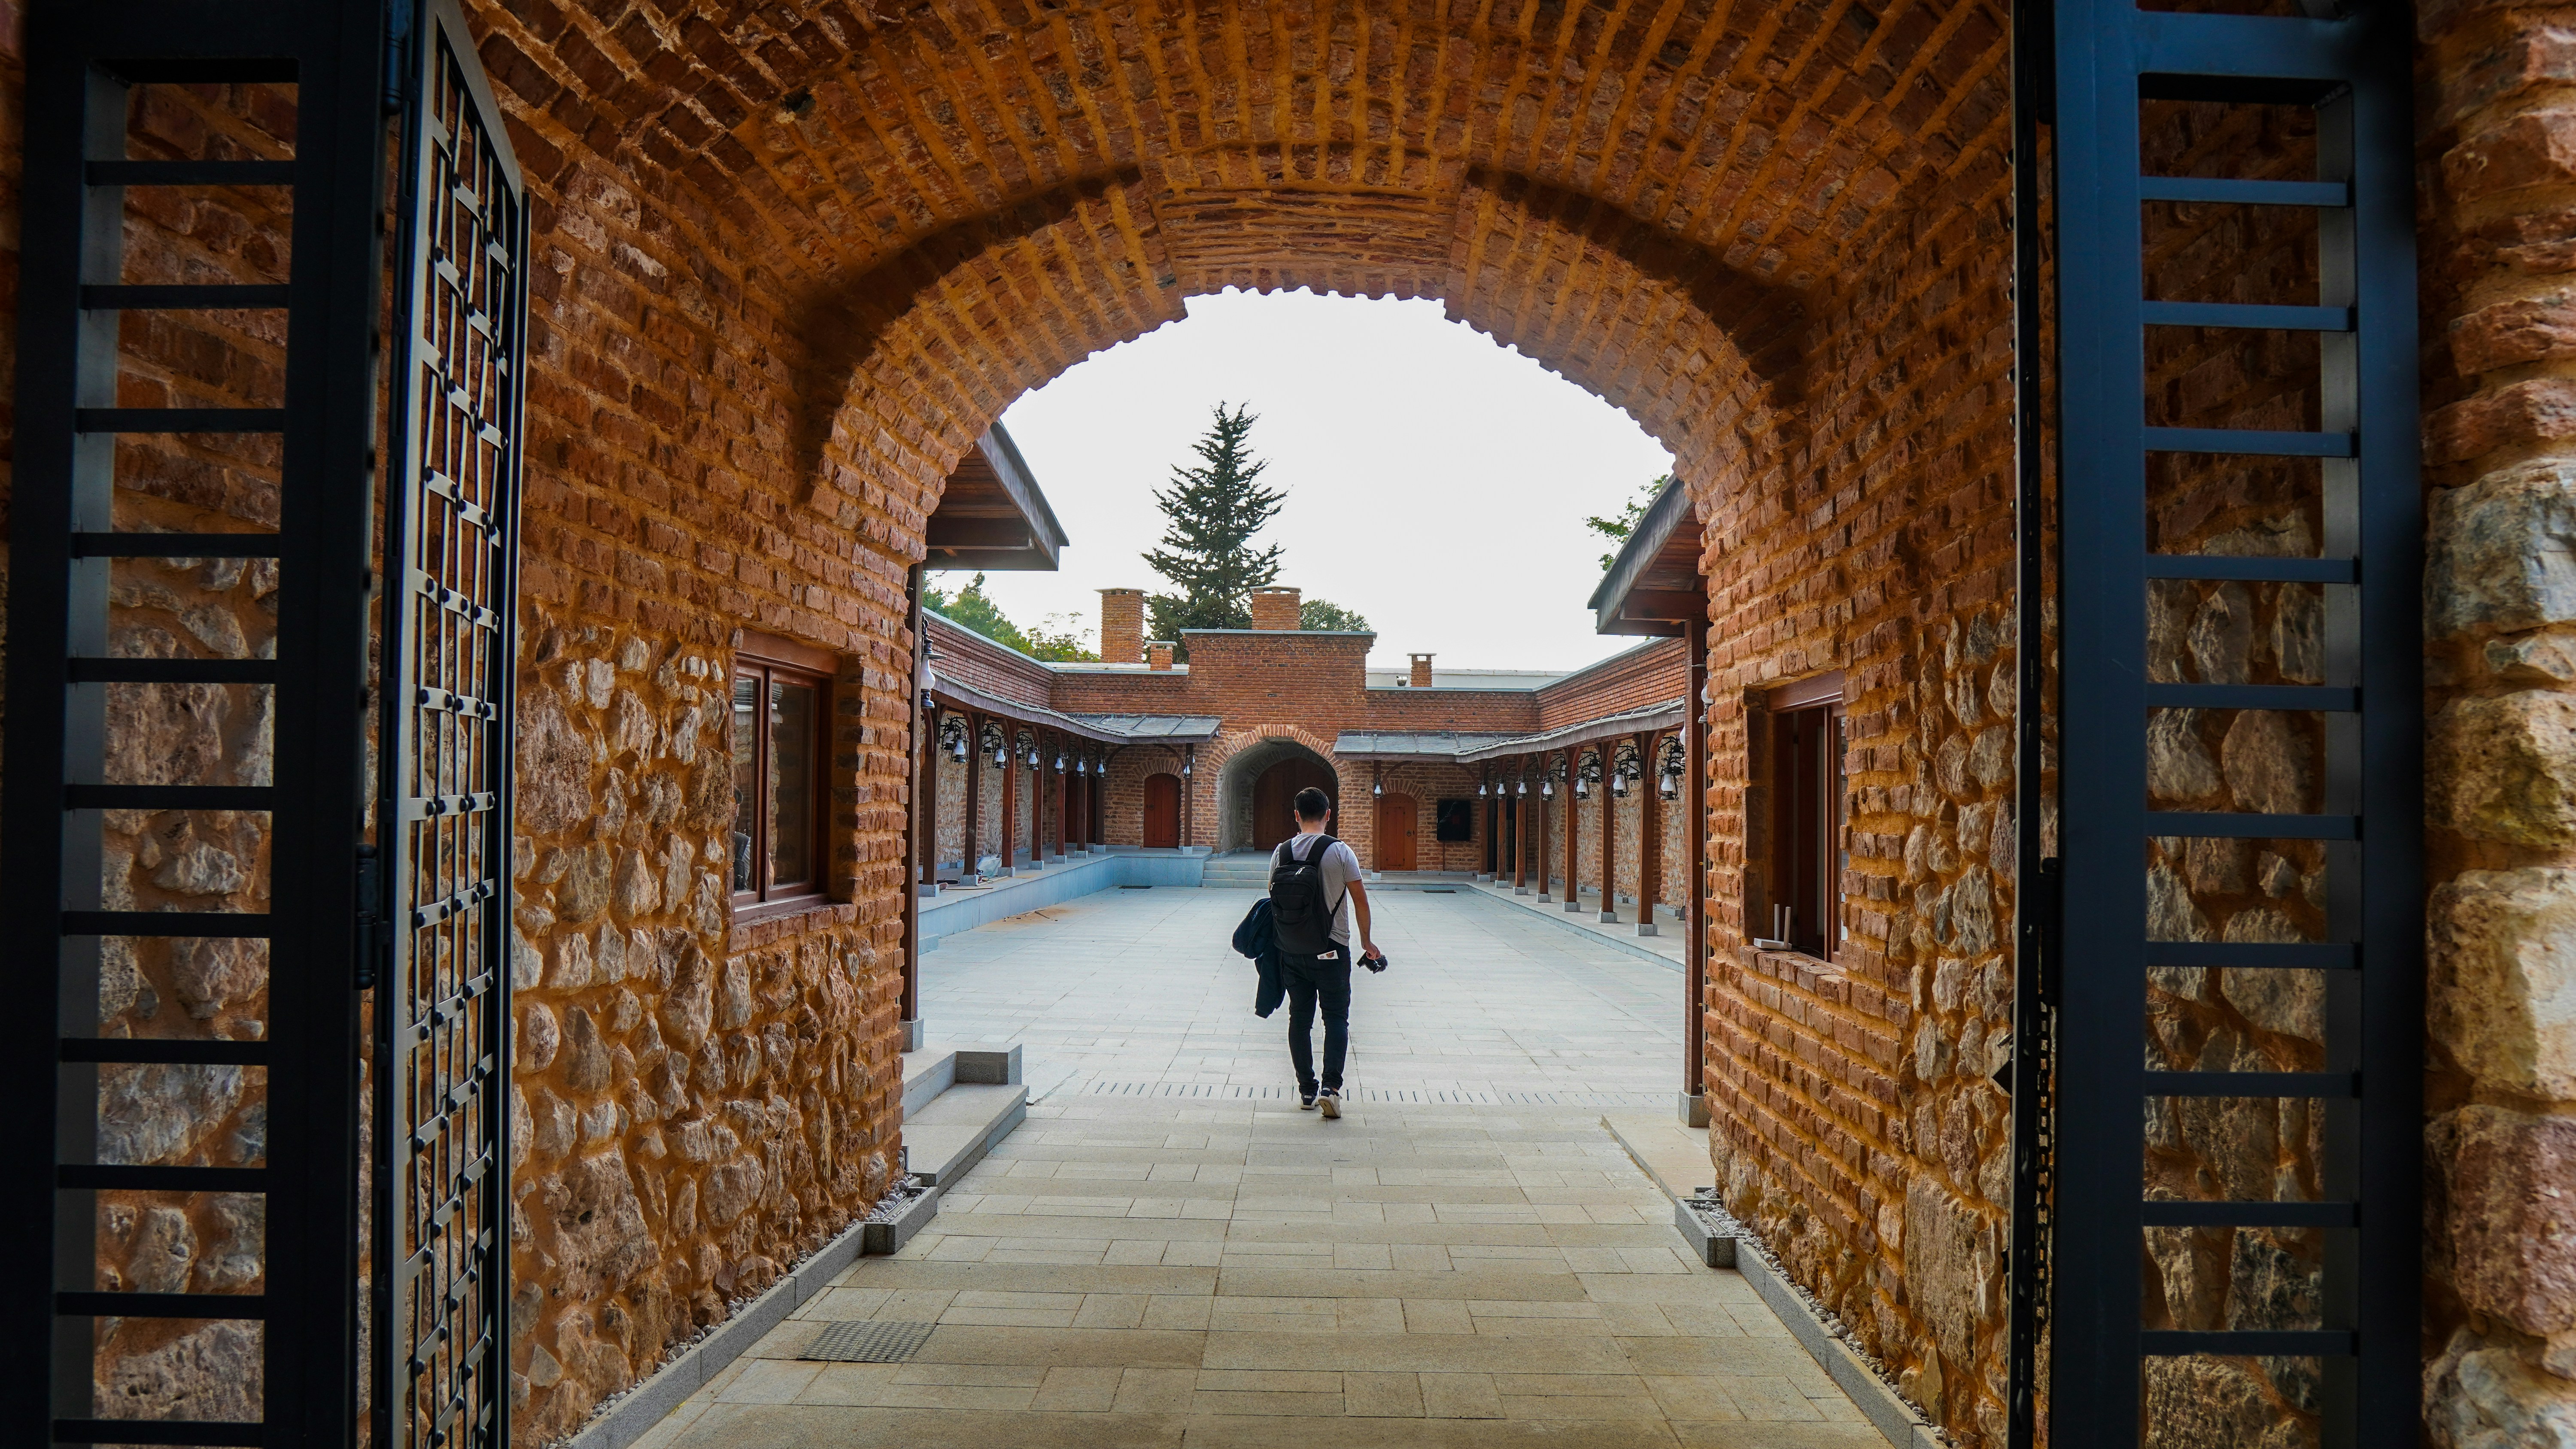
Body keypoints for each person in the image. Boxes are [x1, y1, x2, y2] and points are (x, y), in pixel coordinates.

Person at [1267, 785, 1381, 1117]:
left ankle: (1306, 1090)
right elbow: (1360, 900)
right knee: (1335, 1018)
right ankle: (1331, 1088)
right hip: (1332, 949)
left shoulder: (1281, 852)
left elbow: (1273, 899)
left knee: (1299, 1019)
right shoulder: (1340, 852)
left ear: (1297, 816)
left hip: (1292, 950)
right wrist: (1367, 942)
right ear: (1329, 815)